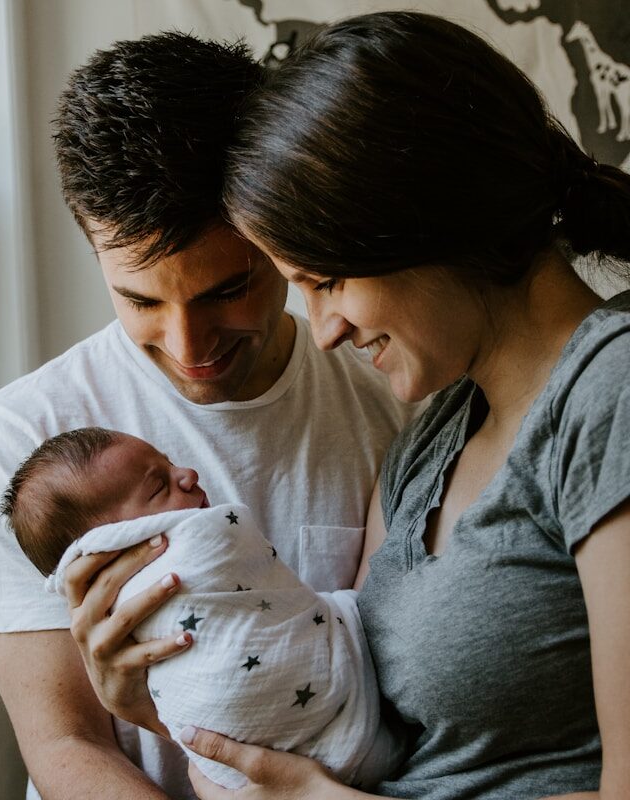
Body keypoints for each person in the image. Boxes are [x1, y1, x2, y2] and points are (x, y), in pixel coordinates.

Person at [73, 12, 630, 800]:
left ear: (432, 219)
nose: (323, 330)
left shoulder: (611, 393)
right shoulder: (431, 437)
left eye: (328, 281)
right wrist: (165, 702)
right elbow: (363, 725)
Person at [0, 31, 412, 800]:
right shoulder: (24, 436)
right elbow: (63, 745)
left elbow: (386, 692)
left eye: (226, 290)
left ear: (279, 233)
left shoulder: (385, 404)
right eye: (139, 300)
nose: (188, 344)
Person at [1, 426, 402, 790]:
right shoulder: (12, 426)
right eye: (159, 487)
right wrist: (131, 704)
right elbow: (63, 743)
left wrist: (142, 709)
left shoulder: (383, 414)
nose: (188, 473)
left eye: (170, 462)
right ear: (116, 541)